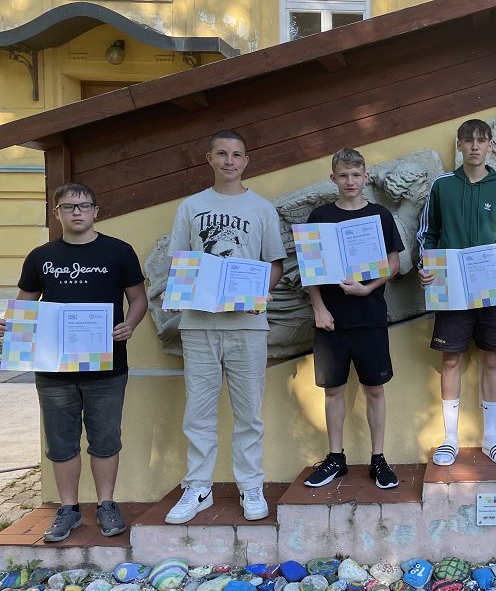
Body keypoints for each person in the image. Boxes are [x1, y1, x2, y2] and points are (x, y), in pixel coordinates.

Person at [0, 183, 146, 541]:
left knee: (105, 440)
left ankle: (106, 504)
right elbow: (26, 303)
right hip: (54, 369)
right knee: (61, 443)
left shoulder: (119, 251)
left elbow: (138, 298)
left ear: (95, 211)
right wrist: (10, 324)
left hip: (107, 367)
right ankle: (69, 509)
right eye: (68, 207)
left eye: (83, 206)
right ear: (57, 213)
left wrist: (130, 324)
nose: (76, 212)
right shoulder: (40, 257)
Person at [164, 129, 286, 524]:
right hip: (198, 324)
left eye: (236, 154)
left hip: (247, 326)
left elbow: (275, 263)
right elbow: (179, 262)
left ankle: (251, 485)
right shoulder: (191, 207)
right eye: (222, 153)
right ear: (210, 159)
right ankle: (198, 486)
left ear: (246, 161)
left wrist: (258, 294)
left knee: (249, 413)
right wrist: (185, 290)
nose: (229, 161)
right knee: (198, 412)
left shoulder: (262, 208)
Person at [417, 118, 496, 466]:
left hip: (490, 286)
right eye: (468, 140)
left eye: (481, 140)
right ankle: (450, 439)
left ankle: (491, 437)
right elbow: (428, 233)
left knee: (492, 359)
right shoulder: (442, 185)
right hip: (450, 289)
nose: (475, 146)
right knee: (450, 360)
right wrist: (425, 265)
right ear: (459, 145)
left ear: (490, 145)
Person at [302, 148, 404, 490]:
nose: (350, 181)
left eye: (356, 175)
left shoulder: (379, 215)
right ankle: (336, 458)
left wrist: (367, 289)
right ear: (333, 178)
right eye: (343, 175)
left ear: (365, 177)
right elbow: (310, 270)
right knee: (333, 391)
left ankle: (378, 459)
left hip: (369, 316)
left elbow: (394, 264)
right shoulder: (320, 216)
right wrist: (319, 308)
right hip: (331, 320)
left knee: (375, 390)